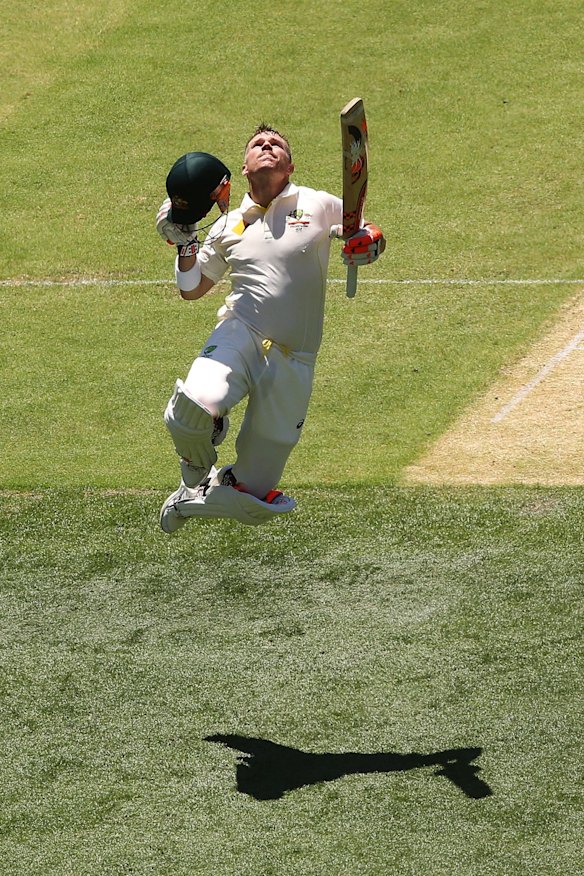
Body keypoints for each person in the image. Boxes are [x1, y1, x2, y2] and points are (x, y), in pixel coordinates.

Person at [156, 124, 385, 531]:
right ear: (244, 168)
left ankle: (190, 501)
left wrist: (368, 243)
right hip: (240, 334)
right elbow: (191, 288)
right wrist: (185, 244)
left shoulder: (315, 204)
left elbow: (364, 229)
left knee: (257, 498)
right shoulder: (227, 225)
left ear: (290, 165)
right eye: (257, 144)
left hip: (295, 359)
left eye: (275, 144)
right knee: (188, 410)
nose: (266, 146)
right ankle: (196, 465)